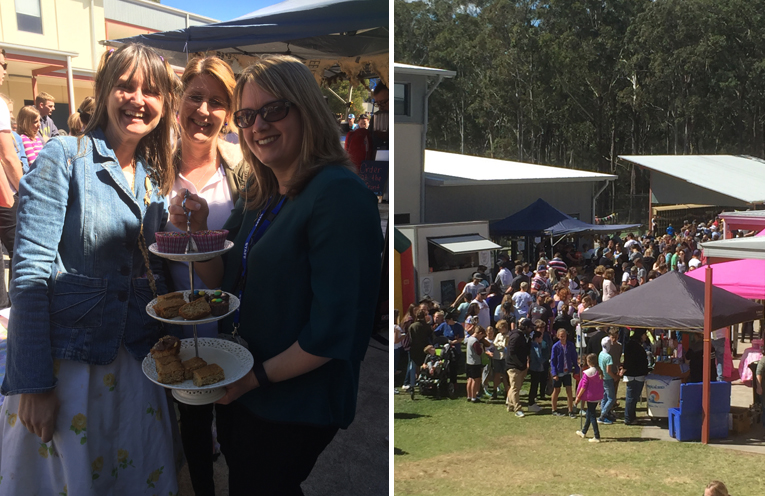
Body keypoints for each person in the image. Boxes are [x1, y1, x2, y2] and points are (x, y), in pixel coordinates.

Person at [170, 55, 383, 494]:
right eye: (247, 116)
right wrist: (195, 230)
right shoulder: (263, 191)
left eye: (274, 109)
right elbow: (221, 277)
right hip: (246, 388)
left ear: (306, 107)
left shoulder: (339, 194)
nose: (258, 125)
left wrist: (251, 379)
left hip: (290, 402)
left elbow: (333, 331)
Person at [0, 43, 181, 494]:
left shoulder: (153, 176)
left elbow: (151, 273)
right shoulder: (65, 155)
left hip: (136, 368)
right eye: (126, 86)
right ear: (104, 92)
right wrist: (34, 383)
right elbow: (29, 274)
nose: (138, 99)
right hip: (69, 370)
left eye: (152, 91)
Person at [167, 55, 250, 496]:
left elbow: (231, 271)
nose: (204, 111)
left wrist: (200, 233)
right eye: (195, 96)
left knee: (235, 424)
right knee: (193, 425)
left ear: (229, 112)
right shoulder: (150, 168)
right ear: (179, 100)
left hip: (230, 322)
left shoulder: (242, 171)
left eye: (217, 102)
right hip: (168, 321)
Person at [621, 329, 649, 425]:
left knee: (633, 398)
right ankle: (628, 418)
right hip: (635, 374)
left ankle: (631, 417)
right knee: (631, 398)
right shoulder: (635, 346)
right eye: (645, 334)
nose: (646, 336)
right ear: (640, 335)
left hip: (634, 374)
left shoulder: (631, 344)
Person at [505, 318, 532, 417]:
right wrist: (520, 364)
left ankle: (510, 403)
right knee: (515, 388)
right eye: (529, 327)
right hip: (514, 366)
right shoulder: (516, 336)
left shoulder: (521, 335)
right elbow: (512, 352)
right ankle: (517, 408)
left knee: (515, 387)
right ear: (525, 327)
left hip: (519, 366)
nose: (531, 329)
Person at [550, 327, 580, 417]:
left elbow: (574, 358)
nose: (563, 338)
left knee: (569, 391)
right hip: (559, 372)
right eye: (561, 336)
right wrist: (554, 373)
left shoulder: (570, 345)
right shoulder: (555, 347)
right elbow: (553, 361)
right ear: (558, 336)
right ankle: (554, 409)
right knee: (556, 390)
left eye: (565, 336)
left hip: (567, 372)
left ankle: (570, 410)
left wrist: (576, 369)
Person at [575, 353, 604, 442]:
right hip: (597, 396)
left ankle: (597, 436)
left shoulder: (587, 373)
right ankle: (584, 431)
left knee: (592, 415)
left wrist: (578, 397)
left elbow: (583, 386)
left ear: (588, 362)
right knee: (589, 413)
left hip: (590, 397)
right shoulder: (598, 371)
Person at [598, 336, 618, 424]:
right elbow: (608, 370)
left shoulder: (600, 354)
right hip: (608, 379)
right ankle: (603, 414)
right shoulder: (608, 357)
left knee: (605, 397)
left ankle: (604, 414)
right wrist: (615, 377)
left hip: (603, 378)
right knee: (611, 398)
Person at [465, 326, 487, 403]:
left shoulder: (469, 339)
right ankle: (474, 397)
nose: (481, 338)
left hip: (468, 362)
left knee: (470, 379)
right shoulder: (475, 342)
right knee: (475, 379)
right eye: (482, 336)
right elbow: (479, 352)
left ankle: (469, 395)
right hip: (475, 363)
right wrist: (481, 347)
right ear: (480, 333)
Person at [527, 330, 546, 413]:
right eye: (541, 337)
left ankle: (532, 402)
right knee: (534, 386)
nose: (542, 339)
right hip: (536, 368)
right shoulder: (535, 346)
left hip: (534, 367)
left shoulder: (534, 345)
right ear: (537, 338)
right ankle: (531, 403)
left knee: (534, 385)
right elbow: (539, 357)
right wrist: (544, 360)